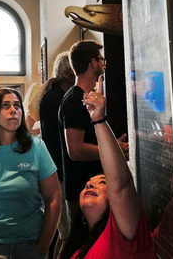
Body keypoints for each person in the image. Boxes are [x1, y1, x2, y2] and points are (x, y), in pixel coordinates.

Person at [0, 88, 61, 258]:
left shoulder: (36, 146)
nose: (13, 110)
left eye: (17, 106)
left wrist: (43, 245)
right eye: (5, 106)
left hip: (29, 245)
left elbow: (53, 196)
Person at [61, 87, 154, 258]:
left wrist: (99, 121)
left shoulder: (124, 231)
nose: (90, 184)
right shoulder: (78, 247)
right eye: (89, 184)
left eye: (102, 182)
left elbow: (121, 184)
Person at [59, 41, 128, 234]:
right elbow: (76, 150)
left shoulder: (85, 97)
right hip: (82, 188)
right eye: (101, 59)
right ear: (93, 63)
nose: (104, 64)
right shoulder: (74, 100)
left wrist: (113, 145)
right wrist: (114, 150)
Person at [39, 51, 76, 257]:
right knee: (66, 232)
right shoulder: (55, 99)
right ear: (66, 72)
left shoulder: (55, 96)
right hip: (58, 171)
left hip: (60, 169)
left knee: (67, 232)